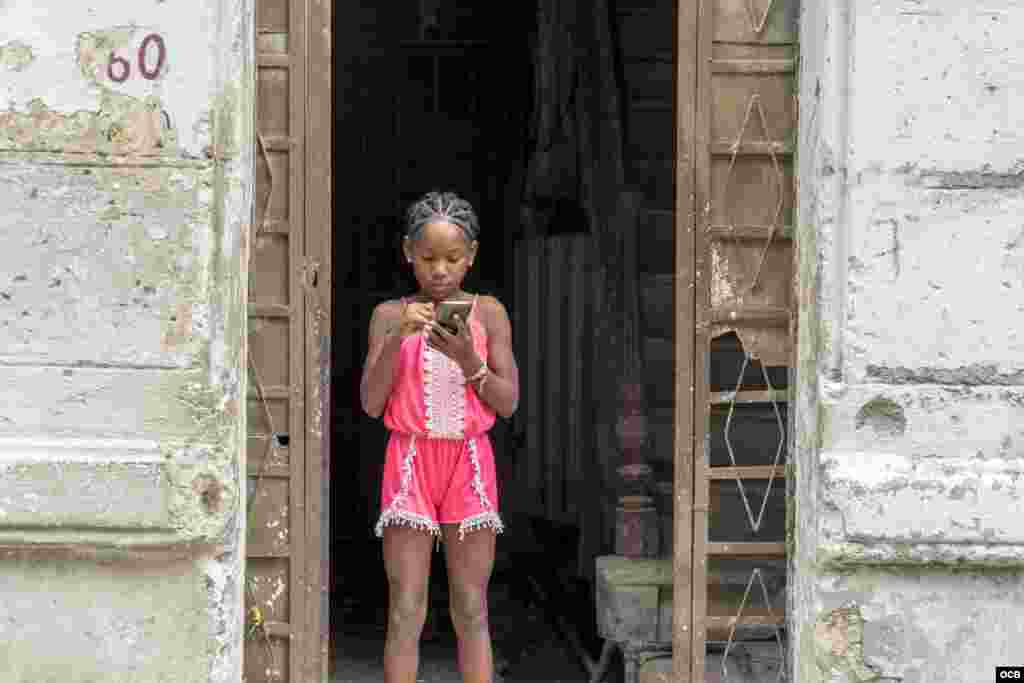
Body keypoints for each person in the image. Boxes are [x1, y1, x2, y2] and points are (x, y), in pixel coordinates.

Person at [360, 191, 520, 683]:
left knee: (471, 608)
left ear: (471, 255)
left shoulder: (488, 313)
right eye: (428, 258)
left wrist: (470, 362)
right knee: (406, 610)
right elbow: (370, 403)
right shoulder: (389, 315)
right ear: (408, 251)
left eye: (453, 259)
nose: (440, 271)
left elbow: (508, 401)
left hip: (469, 463)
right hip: (409, 461)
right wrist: (397, 340)